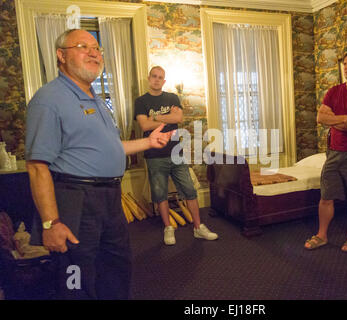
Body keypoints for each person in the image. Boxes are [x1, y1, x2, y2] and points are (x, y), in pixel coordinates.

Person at [26, 29, 173, 299]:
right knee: (77, 276)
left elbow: (109, 148)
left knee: (116, 267)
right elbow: (37, 166)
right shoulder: (49, 99)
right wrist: (51, 223)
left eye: (97, 48)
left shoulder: (97, 100)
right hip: (76, 199)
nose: (94, 52)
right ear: (61, 55)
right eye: (83, 46)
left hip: (109, 198)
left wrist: (149, 143)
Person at [134, 66, 218, 245]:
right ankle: (168, 228)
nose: (157, 80)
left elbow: (178, 119)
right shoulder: (141, 101)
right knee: (160, 194)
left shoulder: (172, 97)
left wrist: (155, 118)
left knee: (189, 190)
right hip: (154, 155)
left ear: (164, 81)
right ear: (149, 78)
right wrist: (167, 116)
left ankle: (198, 227)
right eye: (154, 76)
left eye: (160, 77)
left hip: (176, 153)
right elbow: (144, 126)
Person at [304, 50, 347, 252]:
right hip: (333, 151)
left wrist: (337, 119)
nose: (346, 67)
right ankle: (322, 234)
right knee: (326, 195)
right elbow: (321, 118)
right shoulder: (334, 91)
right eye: (344, 63)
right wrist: (345, 118)